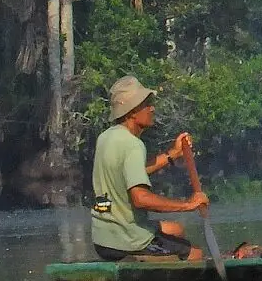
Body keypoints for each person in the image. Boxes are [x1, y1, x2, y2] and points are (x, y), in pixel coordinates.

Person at [89, 76, 208, 262]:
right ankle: (144, 263)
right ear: (132, 112)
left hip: (103, 239)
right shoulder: (133, 145)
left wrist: (172, 154)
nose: (152, 108)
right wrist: (188, 204)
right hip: (128, 239)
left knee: (177, 229)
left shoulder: (105, 138)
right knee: (196, 254)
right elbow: (141, 199)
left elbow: (133, 171)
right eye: (146, 104)